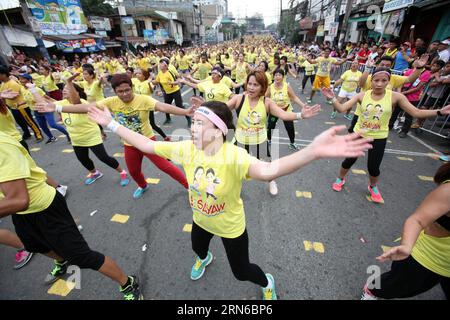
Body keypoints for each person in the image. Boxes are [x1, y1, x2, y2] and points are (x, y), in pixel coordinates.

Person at [87, 98, 373, 300]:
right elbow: (147, 143)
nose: (192, 127)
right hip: (200, 219)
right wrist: (111, 124)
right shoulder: (187, 149)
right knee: (198, 248)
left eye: (199, 123)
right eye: (193, 122)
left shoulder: (234, 156)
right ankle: (205, 257)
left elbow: (269, 170)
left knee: (242, 271)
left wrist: (313, 151)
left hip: (231, 227)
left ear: (219, 130)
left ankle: (266, 282)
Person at [0, 131, 143, 300]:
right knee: (35, 246)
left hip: (44, 207)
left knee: (82, 256)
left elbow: (19, 199)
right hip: (20, 213)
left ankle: (128, 283)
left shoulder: (3, 146)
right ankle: (61, 260)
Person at [36, 73, 191, 199]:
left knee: (166, 166)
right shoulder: (111, 101)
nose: (125, 94)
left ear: (132, 87)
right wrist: (57, 107)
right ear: (115, 92)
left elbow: (163, 106)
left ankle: (190, 188)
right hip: (129, 144)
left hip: (147, 141)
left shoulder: (143, 99)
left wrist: (185, 111)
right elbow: (87, 107)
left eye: (127, 90)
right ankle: (143, 185)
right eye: (120, 92)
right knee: (134, 171)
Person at [322, 67, 450, 203]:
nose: (379, 84)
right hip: (359, 134)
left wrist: (440, 112)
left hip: (379, 137)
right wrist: (333, 99)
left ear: (388, 82)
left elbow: (416, 113)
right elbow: (341, 109)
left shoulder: (396, 97)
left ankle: (373, 186)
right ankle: (340, 178)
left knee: (373, 167)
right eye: (376, 80)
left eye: (384, 80)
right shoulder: (362, 95)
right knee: (349, 160)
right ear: (371, 81)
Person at [362, 162, 450, 300]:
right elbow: (417, 220)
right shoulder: (448, 191)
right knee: (393, 286)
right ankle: (371, 291)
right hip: (428, 258)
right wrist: (407, 246)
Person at [266, 68, 308, 153]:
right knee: (271, 126)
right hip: (275, 111)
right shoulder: (270, 87)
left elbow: (294, 97)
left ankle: (292, 143)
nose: (277, 77)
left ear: (283, 77)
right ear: (273, 76)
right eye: (275, 75)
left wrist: (303, 105)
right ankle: (269, 140)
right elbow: (265, 98)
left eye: (279, 75)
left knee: (290, 128)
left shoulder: (287, 86)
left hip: (287, 110)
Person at [0, 66, 43, 142]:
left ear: (3, 74)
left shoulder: (13, 84)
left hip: (21, 107)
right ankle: (27, 134)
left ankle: (38, 134)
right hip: (13, 107)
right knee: (20, 122)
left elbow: (14, 96)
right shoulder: (3, 84)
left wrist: (3, 96)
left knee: (29, 121)